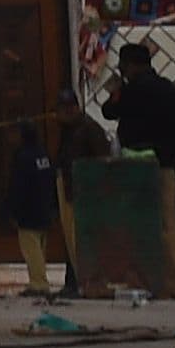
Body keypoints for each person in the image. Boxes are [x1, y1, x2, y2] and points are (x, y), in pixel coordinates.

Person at [109, 42, 175, 297]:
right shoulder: (168, 90)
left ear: (131, 65)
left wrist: (117, 90)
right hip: (165, 168)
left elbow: (109, 111)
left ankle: (143, 284)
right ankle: (174, 286)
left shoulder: (130, 90)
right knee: (168, 228)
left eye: (123, 66)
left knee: (138, 227)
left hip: (137, 168)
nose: (122, 71)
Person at [52, 85, 112, 292]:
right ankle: (74, 282)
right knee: (72, 241)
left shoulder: (89, 129)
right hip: (70, 191)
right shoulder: (68, 131)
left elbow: (103, 161)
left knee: (84, 242)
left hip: (86, 195)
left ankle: (88, 282)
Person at [4, 116, 61, 296]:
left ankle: (39, 284)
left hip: (28, 211)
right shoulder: (43, 154)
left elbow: (17, 186)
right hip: (44, 208)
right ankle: (38, 280)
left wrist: (12, 210)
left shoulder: (23, 157)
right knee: (40, 248)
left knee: (32, 250)